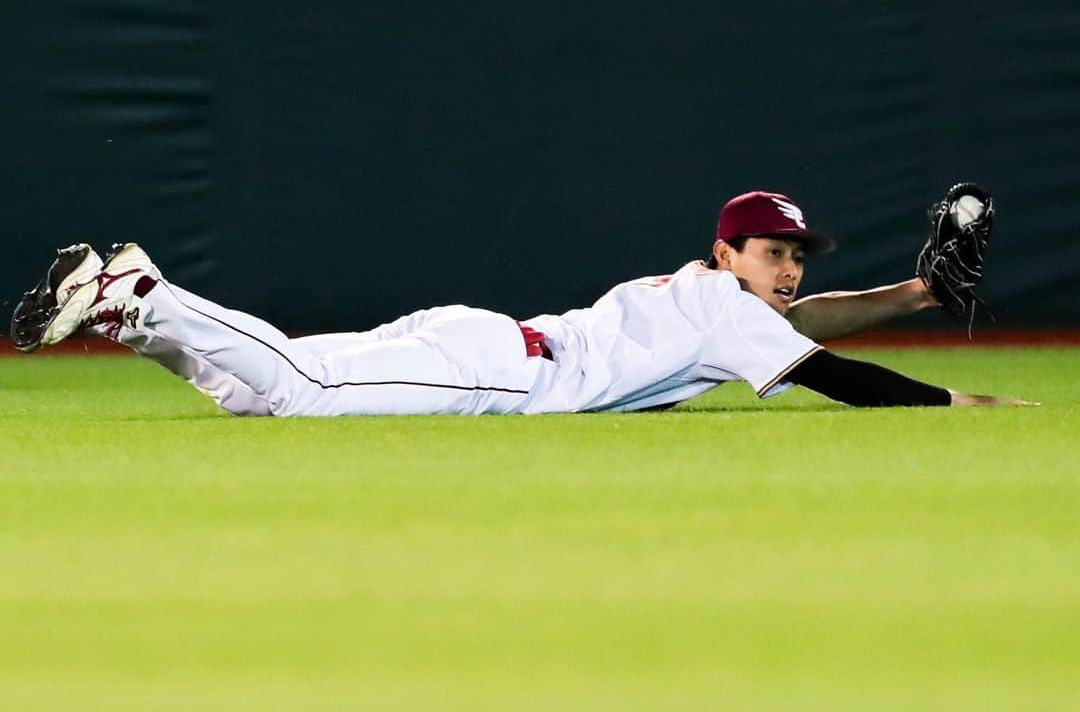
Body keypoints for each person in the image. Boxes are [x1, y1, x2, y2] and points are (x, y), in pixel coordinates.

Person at [9, 190, 1032, 415]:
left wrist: (912, 292)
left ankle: (127, 312)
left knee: (252, 393)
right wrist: (952, 403)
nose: (790, 269)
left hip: (486, 343)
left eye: (797, 256)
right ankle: (144, 286)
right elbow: (836, 376)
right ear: (727, 253)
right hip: (494, 368)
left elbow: (809, 324)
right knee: (303, 391)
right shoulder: (725, 303)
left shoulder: (714, 300)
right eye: (773, 252)